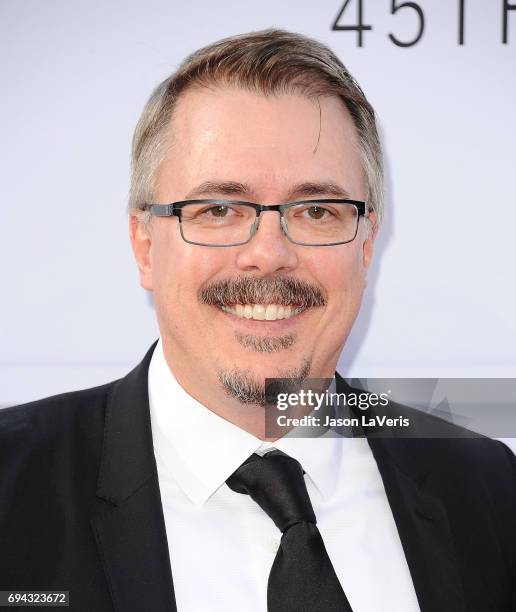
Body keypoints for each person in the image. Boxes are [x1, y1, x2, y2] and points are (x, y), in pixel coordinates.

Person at [0, 28, 515, 612]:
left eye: (318, 209)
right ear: (145, 244)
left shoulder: (487, 489)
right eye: (219, 209)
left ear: (367, 246)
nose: (269, 253)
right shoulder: (13, 484)